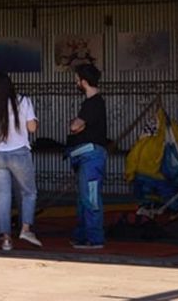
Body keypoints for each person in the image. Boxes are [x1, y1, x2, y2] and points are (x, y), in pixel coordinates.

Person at [0, 72, 41, 251]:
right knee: (29, 192)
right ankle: (26, 229)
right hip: (19, 153)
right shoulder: (23, 101)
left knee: (3, 196)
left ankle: (6, 239)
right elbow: (32, 128)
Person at [66, 63, 108, 250]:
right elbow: (77, 126)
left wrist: (77, 125)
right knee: (84, 199)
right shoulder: (93, 103)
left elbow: (75, 126)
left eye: (77, 80)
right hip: (87, 156)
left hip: (91, 156)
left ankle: (94, 238)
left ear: (83, 82)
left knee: (90, 197)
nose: (75, 83)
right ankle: (83, 235)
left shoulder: (93, 103)